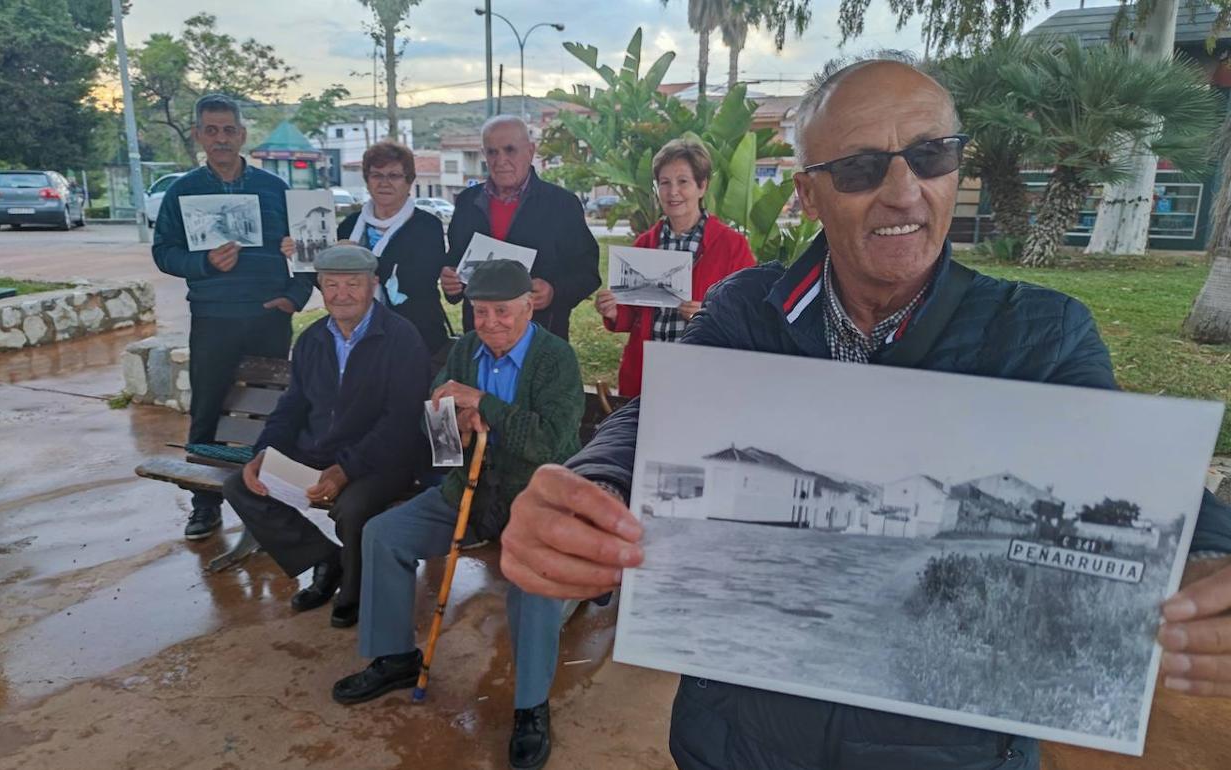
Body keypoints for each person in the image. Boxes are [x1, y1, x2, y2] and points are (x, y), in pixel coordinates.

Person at [500, 60, 1231, 769]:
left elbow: (1132, 478)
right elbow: (657, 417)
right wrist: (593, 484)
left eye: (931, 155)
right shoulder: (745, 309)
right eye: (859, 167)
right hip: (740, 739)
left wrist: (1213, 561)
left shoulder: (1040, 334)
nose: (904, 191)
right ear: (810, 197)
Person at [332, 259, 584, 770]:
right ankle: (396, 657)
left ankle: (531, 705)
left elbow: (551, 442)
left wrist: (483, 404)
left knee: (533, 582)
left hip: (534, 500)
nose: (490, 323)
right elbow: (441, 442)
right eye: (480, 312)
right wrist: (451, 428)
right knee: (383, 534)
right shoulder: (465, 350)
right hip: (466, 492)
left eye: (502, 312)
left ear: (528, 306)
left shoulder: (557, 358)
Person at [221, 244, 430, 628]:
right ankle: (323, 559)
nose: (342, 293)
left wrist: (344, 470)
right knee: (242, 486)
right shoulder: (313, 337)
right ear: (320, 287)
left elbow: (401, 421)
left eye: (353, 284)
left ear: (374, 285)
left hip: (381, 460)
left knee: (352, 509)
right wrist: (265, 452)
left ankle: (354, 586)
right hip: (318, 451)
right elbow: (292, 405)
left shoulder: (401, 337)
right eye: (332, 284)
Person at [153, 93, 314, 540]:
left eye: (229, 130)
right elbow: (163, 252)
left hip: (268, 317)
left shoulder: (274, 189)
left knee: (266, 412)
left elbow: (306, 249)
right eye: (211, 130)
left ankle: (263, 502)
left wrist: (293, 297)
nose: (221, 138)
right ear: (198, 135)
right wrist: (204, 264)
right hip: (213, 318)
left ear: (243, 135)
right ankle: (205, 504)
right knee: (207, 409)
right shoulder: (182, 191)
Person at [594, 137, 755, 397]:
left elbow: (748, 315)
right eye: (664, 183)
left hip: (705, 374)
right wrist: (613, 311)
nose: (672, 192)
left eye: (683, 182)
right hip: (647, 371)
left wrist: (707, 316)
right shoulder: (644, 244)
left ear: (702, 186)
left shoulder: (732, 246)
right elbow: (631, 315)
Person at [285, 140, 452, 363]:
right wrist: (303, 255)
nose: (384, 183)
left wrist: (357, 259)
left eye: (394, 176)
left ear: (409, 181)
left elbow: (416, 280)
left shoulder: (427, 226)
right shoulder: (349, 226)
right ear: (367, 180)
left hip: (416, 340)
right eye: (376, 175)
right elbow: (329, 282)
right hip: (357, 340)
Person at [441, 115, 600, 340]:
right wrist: (450, 282)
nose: (500, 160)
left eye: (510, 150)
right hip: (481, 339)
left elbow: (588, 273)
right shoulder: (467, 201)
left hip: (540, 340)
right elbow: (456, 260)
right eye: (492, 152)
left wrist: (554, 292)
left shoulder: (562, 204)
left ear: (530, 151)